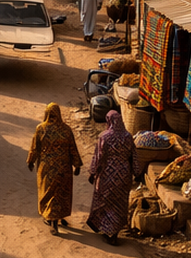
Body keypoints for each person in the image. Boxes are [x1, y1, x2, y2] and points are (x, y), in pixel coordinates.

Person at [27, 102, 82, 236]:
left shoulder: (41, 129)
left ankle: (53, 222)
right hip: (64, 168)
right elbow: (72, 148)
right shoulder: (66, 130)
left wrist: (31, 161)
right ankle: (58, 217)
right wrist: (77, 165)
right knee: (60, 194)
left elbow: (35, 147)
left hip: (47, 168)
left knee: (49, 194)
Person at [87, 110, 136, 245]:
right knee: (119, 204)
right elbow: (134, 156)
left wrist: (92, 172)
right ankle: (114, 233)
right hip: (124, 175)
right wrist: (136, 173)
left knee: (105, 201)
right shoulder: (128, 137)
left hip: (107, 175)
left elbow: (98, 157)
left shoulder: (104, 137)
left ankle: (106, 229)